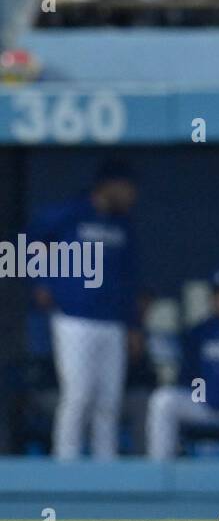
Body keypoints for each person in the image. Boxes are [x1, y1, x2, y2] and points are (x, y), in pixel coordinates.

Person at [28, 161, 138, 459]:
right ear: (108, 185)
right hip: (73, 318)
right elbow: (33, 235)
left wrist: (133, 326)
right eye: (126, 188)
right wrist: (41, 280)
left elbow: (129, 279)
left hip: (111, 322)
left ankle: (105, 464)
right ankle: (66, 461)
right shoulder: (71, 213)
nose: (131, 195)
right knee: (78, 395)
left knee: (108, 400)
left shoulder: (123, 224)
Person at [146, 271, 219, 458]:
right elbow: (187, 374)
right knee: (163, 401)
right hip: (202, 403)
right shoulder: (200, 331)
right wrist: (203, 394)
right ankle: (160, 471)